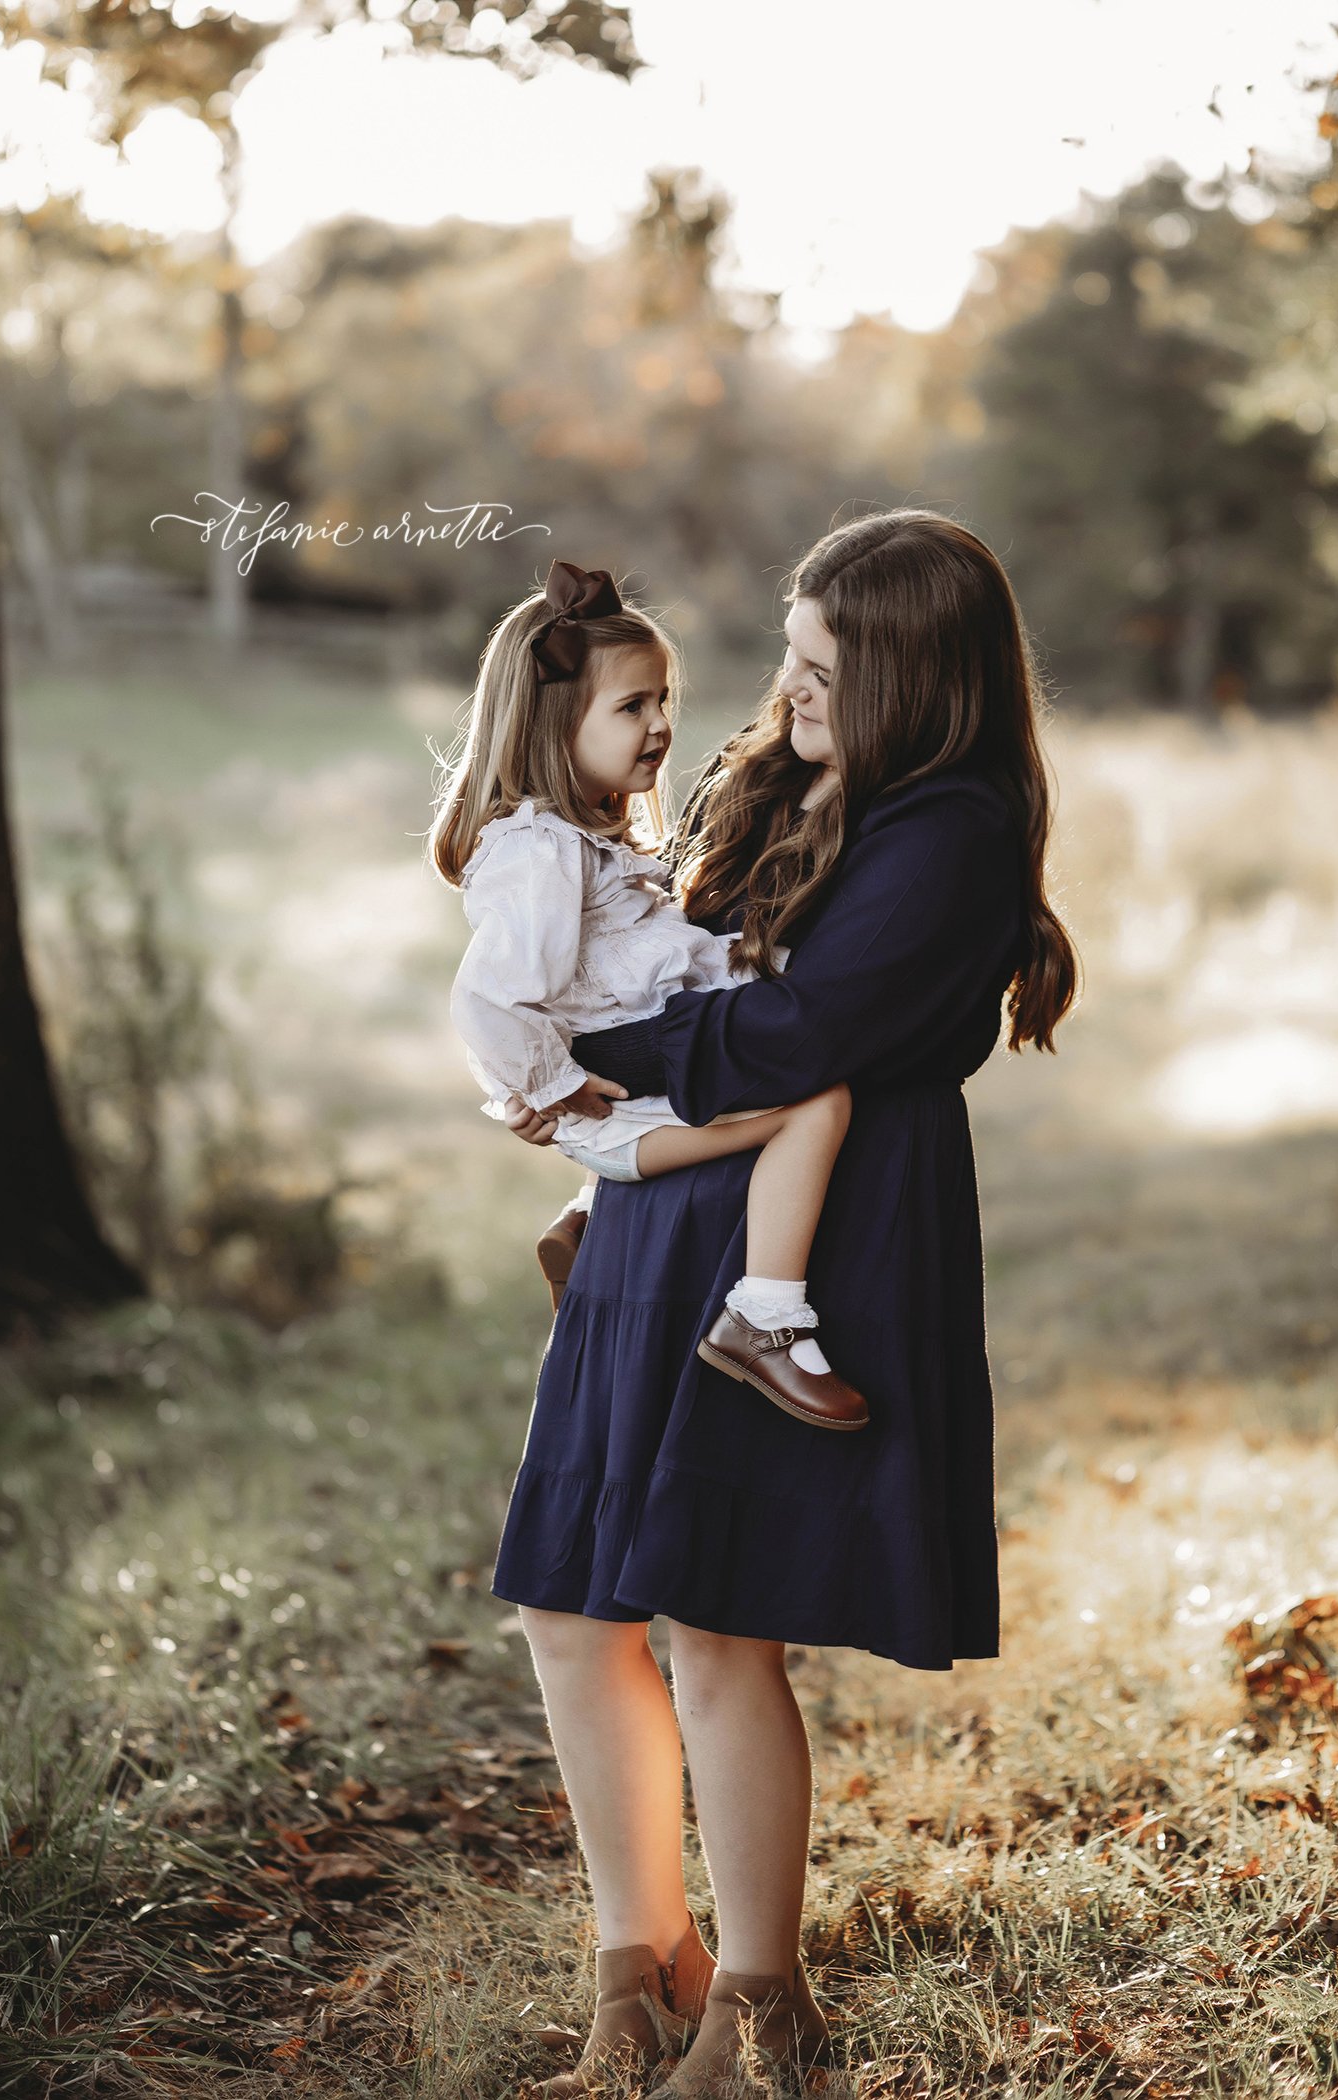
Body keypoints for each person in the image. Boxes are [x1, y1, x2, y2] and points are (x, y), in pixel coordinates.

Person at [494, 512, 1078, 2098]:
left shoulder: (950, 826)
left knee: (715, 1612)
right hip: (663, 1208)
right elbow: (670, 960)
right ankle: (642, 1967)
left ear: (913, 675)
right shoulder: (792, 774)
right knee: (572, 1605)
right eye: (792, 656)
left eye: (828, 669)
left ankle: (759, 2008)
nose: (792, 692)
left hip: (807, 1237)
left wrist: (575, 1061)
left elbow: (794, 1033)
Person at [432, 557, 870, 1432]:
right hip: (618, 1121)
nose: (662, 724)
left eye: (663, 700)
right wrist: (546, 1088)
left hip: (624, 1104)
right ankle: (766, 1319)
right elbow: (489, 1000)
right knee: (816, 1106)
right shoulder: (543, 853)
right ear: (555, 724)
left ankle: (588, 1220)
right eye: (632, 707)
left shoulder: (576, 842)